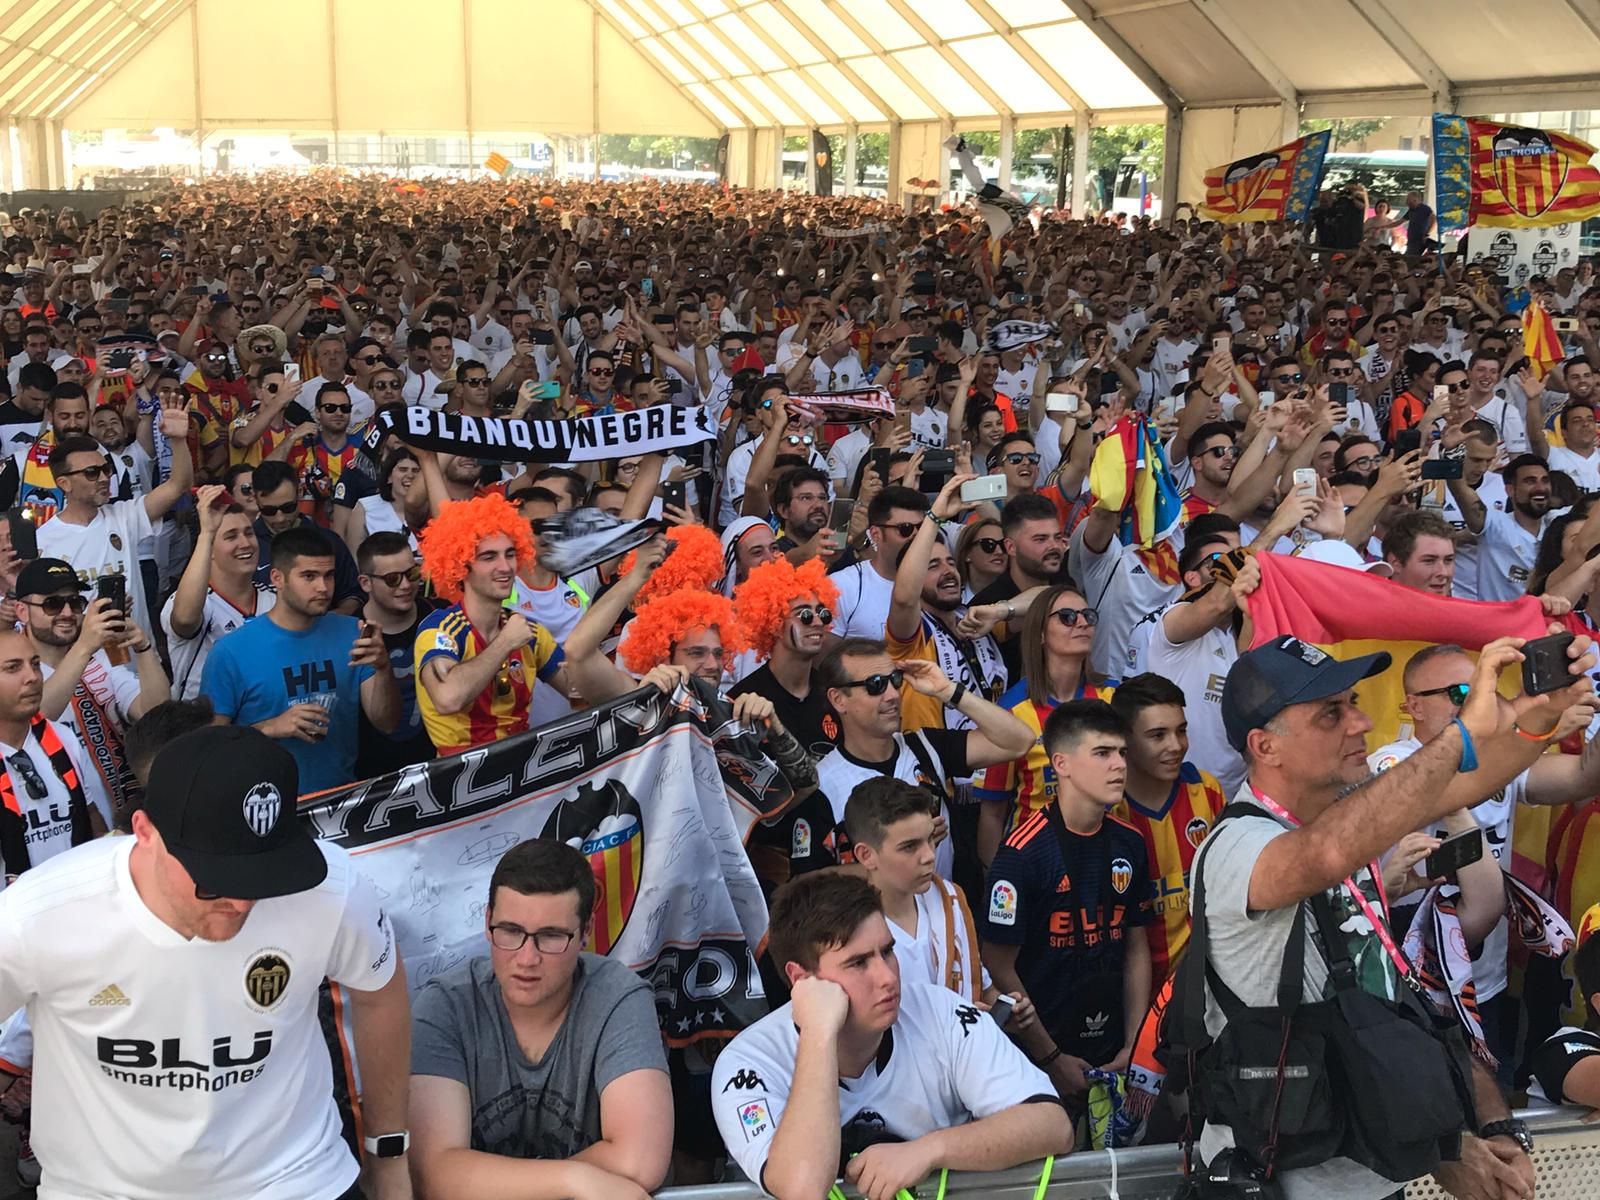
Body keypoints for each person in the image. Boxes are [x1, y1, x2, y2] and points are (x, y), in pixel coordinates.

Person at [1191, 634, 1592, 1198]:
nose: (1358, 722)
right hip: (1282, 1178)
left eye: (1354, 702)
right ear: (1265, 745)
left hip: (1371, 1169)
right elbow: (1324, 854)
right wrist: (1463, 734)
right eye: (1332, 712)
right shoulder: (1236, 843)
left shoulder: (1346, 815)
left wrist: (1535, 716)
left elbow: (1472, 779)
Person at [0, 724, 413, 1199]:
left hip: (297, 1178)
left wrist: (388, 1153)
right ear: (144, 833)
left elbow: (380, 991)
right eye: (214, 880)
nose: (240, 903)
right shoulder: (40, 915)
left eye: (264, 878)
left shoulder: (329, 888)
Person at [709, 871, 1072, 1200]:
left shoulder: (939, 1010)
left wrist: (929, 1150)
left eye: (888, 951)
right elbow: (802, 1188)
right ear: (802, 979)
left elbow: (1052, 1124)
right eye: (858, 962)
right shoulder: (747, 1063)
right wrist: (818, 1033)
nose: (887, 977)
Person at [1367, 643, 1600, 1078]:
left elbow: (1583, 776)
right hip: (1414, 985)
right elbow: (1444, 786)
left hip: (1483, 984)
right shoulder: (1389, 763)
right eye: (1460, 692)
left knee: (1491, 1119)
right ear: (1413, 706)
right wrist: (1538, 730)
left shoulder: (1499, 760)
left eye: (1484, 690)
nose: (1476, 703)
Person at [409, 838, 671, 1200]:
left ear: (586, 933)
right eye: (511, 932)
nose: (527, 958)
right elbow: (432, 1174)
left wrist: (479, 1180)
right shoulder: (446, 1006)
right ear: (487, 923)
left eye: (551, 936)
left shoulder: (618, 997)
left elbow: (641, 1160)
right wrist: (574, 1181)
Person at [981, 699, 1153, 1105]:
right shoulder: (1022, 853)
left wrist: (1135, 1044)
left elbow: (1136, 946)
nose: (1119, 765)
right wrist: (1051, 1057)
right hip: (1040, 1056)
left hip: (1115, 1051)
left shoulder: (1130, 841)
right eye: (1102, 753)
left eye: (1122, 753)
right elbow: (998, 963)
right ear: (1061, 763)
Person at [814, 637, 1033, 881]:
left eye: (895, 680)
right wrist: (907, 851)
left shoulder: (926, 746)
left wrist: (948, 691)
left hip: (945, 913)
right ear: (838, 699)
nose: (892, 695)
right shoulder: (822, 783)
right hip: (869, 916)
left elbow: (1020, 741)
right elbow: (808, 881)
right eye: (875, 685)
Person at [202, 525, 400, 793]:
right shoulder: (230, 652)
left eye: (329, 575)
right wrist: (270, 727)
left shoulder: (352, 632)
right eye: (309, 576)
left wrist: (383, 667)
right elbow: (208, 748)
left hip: (341, 800)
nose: (323, 587)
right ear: (278, 578)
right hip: (264, 807)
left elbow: (386, 723)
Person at [17, 557, 168, 820]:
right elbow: (35, 719)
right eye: (52, 604)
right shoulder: (11, 665)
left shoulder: (98, 662)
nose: (66, 613)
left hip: (118, 818)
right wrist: (85, 646)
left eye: (75, 603)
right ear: (21, 611)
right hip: (53, 824)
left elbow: (154, 712)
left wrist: (143, 649)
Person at [975, 585, 1116, 865]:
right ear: (1040, 633)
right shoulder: (1009, 710)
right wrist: (998, 879)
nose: (1082, 623)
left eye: (1088, 615)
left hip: (1107, 857)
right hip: (1036, 864)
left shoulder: (1116, 697)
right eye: (1066, 616)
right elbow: (992, 813)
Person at [35, 395, 193, 634]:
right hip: (86, 666)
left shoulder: (124, 516)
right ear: (64, 483)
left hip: (140, 659)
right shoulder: (43, 541)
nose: (103, 479)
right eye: (91, 472)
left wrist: (178, 440)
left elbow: (178, 484)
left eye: (105, 470)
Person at [1109, 673, 1227, 988]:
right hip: (1130, 988)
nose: (1176, 746)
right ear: (1124, 739)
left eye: (1181, 731)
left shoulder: (1206, 790)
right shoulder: (1109, 809)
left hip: (1207, 983)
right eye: (1158, 735)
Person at [847, 775, 1000, 1007]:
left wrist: (1006, 1012)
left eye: (930, 839)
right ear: (866, 855)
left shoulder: (950, 898)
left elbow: (982, 989)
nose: (929, 856)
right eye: (909, 847)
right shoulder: (847, 933)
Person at [163, 483, 277, 700]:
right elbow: (186, 619)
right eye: (231, 536)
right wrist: (207, 532)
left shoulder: (275, 600)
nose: (245, 543)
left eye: (249, 533)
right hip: (204, 727)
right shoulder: (195, 602)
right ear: (209, 551)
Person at [355, 531, 446, 779]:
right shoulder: (347, 630)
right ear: (365, 583)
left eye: (412, 573)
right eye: (393, 579)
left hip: (441, 768)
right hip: (373, 780)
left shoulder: (442, 615)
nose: (406, 585)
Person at [829, 485, 930, 641]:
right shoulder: (842, 586)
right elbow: (825, 661)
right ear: (876, 534)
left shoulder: (938, 579)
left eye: (923, 529)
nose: (916, 537)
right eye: (905, 529)